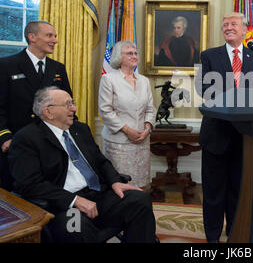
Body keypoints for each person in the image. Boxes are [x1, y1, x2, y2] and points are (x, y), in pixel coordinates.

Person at [7, 87, 156, 242]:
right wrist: (74, 200)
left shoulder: (80, 129)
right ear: (48, 112)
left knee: (140, 199)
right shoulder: (26, 139)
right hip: (65, 205)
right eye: (67, 104)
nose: (74, 108)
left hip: (98, 195)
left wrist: (115, 181)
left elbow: (101, 161)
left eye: (72, 102)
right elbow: (30, 184)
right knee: (76, 228)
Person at [197, 12, 253, 242]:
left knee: (239, 191)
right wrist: (239, 96)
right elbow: (205, 88)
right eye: (225, 24)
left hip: (245, 136)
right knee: (214, 192)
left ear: (245, 30)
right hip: (215, 135)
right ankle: (212, 237)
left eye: (233, 24)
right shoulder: (209, 56)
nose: (228, 27)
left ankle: (235, 233)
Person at [0, 20, 72, 190]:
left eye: (55, 36)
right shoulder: (6, 65)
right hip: (17, 142)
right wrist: (4, 136)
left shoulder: (58, 68)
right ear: (32, 37)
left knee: (48, 191)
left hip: (50, 142)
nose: (55, 40)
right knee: (17, 195)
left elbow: (68, 104)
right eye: (49, 35)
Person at [98, 41, 156, 189]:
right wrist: (127, 130)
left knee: (141, 185)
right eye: (129, 53)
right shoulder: (109, 79)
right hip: (119, 143)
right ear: (119, 57)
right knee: (121, 185)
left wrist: (148, 129)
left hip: (142, 142)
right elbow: (105, 111)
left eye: (136, 53)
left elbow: (150, 109)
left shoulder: (144, 81)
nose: (134, 56)